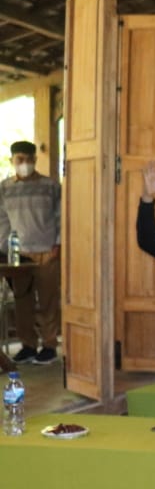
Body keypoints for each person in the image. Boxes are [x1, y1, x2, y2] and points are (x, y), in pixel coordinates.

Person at [1, 141, 62, 364]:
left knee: (48, 301)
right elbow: (2, 220)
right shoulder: (4, 188)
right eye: (20, 159)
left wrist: (58, 243)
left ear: (35, 160)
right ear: (12, 161)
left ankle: (49, 346)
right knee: (22, 302)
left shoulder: (51, 186)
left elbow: (61, 216)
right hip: (19, 254)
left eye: (29, 159)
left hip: (47, 251)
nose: (24, 164)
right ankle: (28, 345)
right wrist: (5, 248)